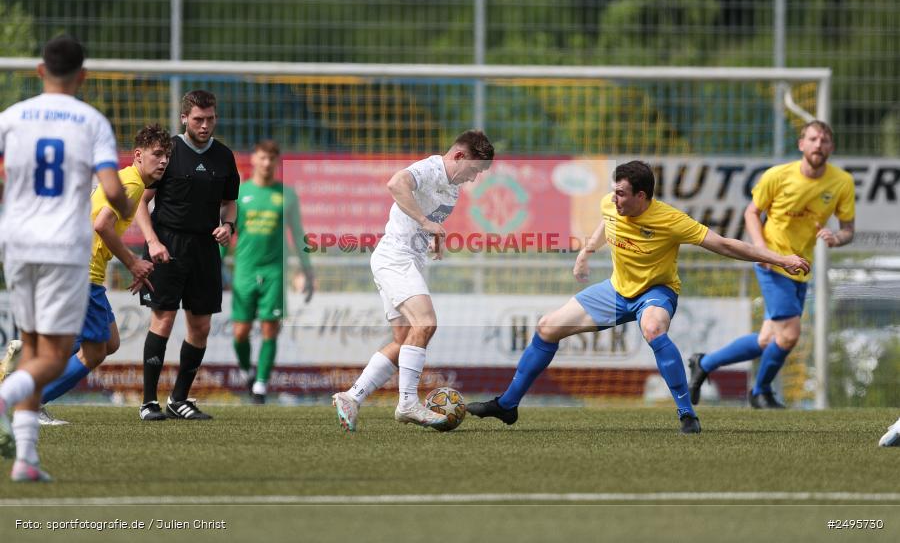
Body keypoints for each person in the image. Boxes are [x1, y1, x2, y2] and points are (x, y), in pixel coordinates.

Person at [468, 160, 810, 434]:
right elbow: (606, 221)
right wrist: (586, 251)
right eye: (613, 192)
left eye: (621, 194)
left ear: (642, 197)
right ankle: (508, 405)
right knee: (546, 327)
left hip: (655, 292)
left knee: (654, 330)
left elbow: (724, 244)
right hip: (616, 290)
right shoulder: (611, 205)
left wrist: (780, 259)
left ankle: (687, 414)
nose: (614, 199)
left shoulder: (670, 220)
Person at [0, 35, 131, 481]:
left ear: (40, 71)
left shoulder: (11, 118)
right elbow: (113, 191)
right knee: (54, 357)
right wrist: (129, 210)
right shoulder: (91, 121)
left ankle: (25, 460)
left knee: (33, 347)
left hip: (17, 243)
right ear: (84, 76)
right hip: (62, 248)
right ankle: (3, 401)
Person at [332, 130, 494, 432]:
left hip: (407, 260)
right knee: (427, 324)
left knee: (403, 339)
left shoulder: (453, 189)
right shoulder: (431, 168)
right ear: (459, 156)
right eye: (473, 170)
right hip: (396, 258)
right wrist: (425, 222)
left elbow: (427, 218)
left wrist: (432, 236)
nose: (473, 179)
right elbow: (396, 184)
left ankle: (351, 397)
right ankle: (407, 403)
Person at [688, 121, 855, 409]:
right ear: (801, 144)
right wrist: (762, 251)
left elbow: (848, 229)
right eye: (813, 139)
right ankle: (760, 391)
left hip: (801, 266)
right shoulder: (778, 176)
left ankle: (704, 363)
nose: (819, 144)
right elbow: (751, 213)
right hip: (772, 264)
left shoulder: (842, 182)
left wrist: (836, 237)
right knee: (789, 334)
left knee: (768, 339)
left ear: (832, 147)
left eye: (825, 140)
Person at [37, 124, 172, 425]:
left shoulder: (125, 178)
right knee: (96, 351)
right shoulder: (134, 184)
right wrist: (133, 263)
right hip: (82, 271)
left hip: (78, 268)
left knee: (109, 342)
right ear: (139, 155)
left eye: (167, 156)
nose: (163, 161)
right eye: (157, 154)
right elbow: (102, 225)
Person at [134, 90, 239, 421]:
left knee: (201, 325)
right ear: (184, 119)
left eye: (210, 119)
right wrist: (152, 242)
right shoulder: (168, 153)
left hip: (205, 248)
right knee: (163, 319)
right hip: (168, 243)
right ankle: (149, 402)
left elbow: (230, 202)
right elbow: (140, 202)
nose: (205, 125)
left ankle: (179, 399)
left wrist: (229, 226)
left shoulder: (224, 156)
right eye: (198, 119)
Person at [226, 139, 314, 404]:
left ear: (277, 162)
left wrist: (307, 270)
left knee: (269, 328)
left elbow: (299, 235)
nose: (266, 163)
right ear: (253, 159)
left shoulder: (286, 195)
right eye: (262, 158)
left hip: (275, 272)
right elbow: (227, 231)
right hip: (244, 271)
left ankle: (261, 386)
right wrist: (214, 262)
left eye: (271, 159)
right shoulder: (240, 194)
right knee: (240, 332)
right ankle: (246, 371)